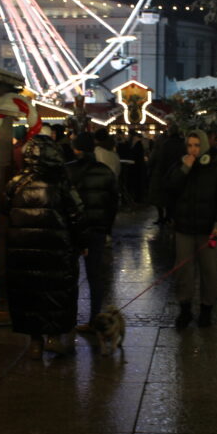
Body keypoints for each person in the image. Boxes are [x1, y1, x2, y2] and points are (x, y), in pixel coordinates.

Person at [4, 135, 86, 359]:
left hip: (23, 251)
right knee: (55, 293)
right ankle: (54, 338)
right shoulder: (61, 183)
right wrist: (81, 243)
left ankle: (35, 342)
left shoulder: (16, 182)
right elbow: (77, 215)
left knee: (29, 295)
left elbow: (5, 211)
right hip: (57, 251)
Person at [163, 129, 217, 328]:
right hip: (184, 228)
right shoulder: (179, 166)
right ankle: (185, 309)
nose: (193, 150)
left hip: (208, 230)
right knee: (184, 271)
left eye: (197, 145)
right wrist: (184, 170)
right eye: (190, 145)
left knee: (209, 271)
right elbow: (168, 189)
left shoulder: (216, 170)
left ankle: (206, 310)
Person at [66, 132, 118, 331]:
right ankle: (94, 319)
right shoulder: (105, 172)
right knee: (94, 275)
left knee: (70, 276)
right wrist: (107, 227)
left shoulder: (67, 171)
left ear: (76, 149)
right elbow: (113, 202)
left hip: (72, 231)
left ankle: (69, 319)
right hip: (96, 230)